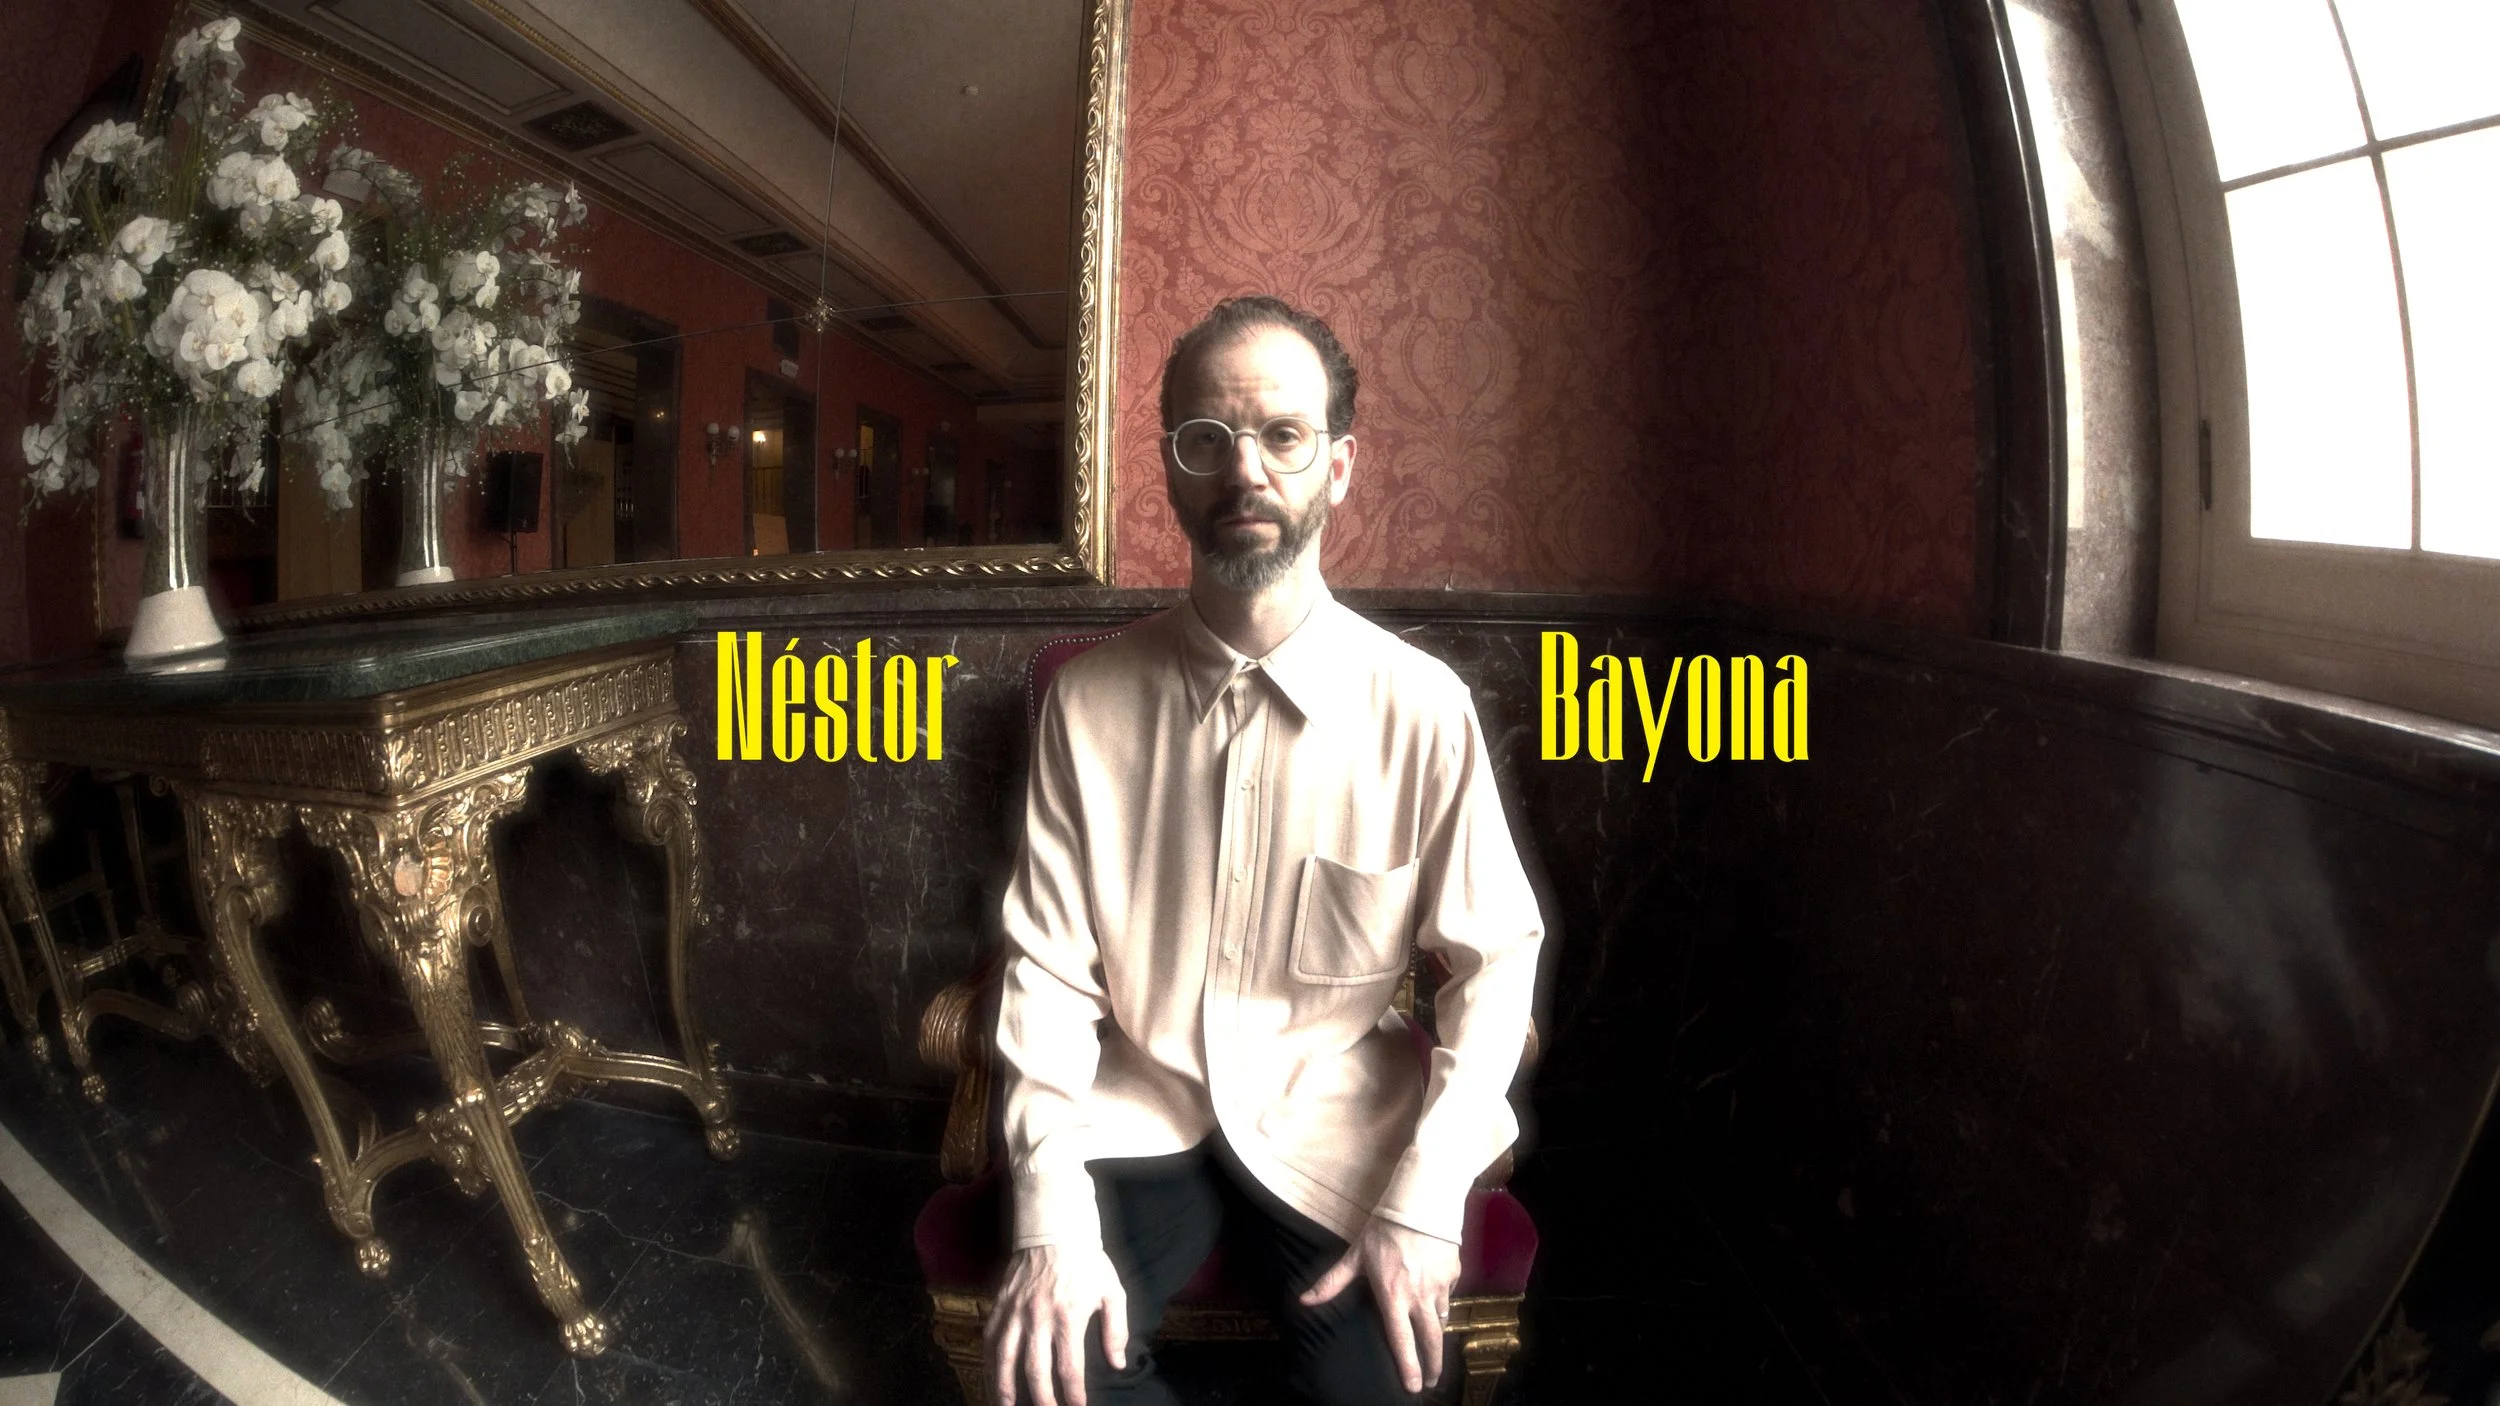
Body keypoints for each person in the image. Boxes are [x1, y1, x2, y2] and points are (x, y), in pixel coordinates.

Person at [985, 295, 1545, 1406]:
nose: (1245, 469)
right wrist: (1048, 1211)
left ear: (1337, 467)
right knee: (1056, 1379)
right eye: (1208, 439)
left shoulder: (1420, 709)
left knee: (1382, 1391)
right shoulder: (1089, 701)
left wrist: (1427, 1195)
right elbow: (1043, 970)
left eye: (1282, 436)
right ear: (1172, 468)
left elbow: (1498, 962)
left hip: (1333, 1110)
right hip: (1138, 1101)